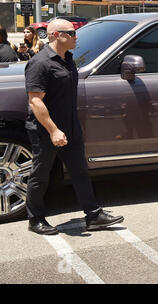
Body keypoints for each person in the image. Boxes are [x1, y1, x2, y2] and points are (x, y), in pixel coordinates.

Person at [24, 19, 124, 235]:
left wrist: (69, 127)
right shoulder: (40, 63)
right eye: (70, 33)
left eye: (75, 32)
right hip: (46, 130)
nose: (75, 36)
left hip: (70, 126)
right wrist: (53, 130)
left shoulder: (68, 59)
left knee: (80, 171)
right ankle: (35, 219)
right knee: (41, 174)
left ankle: (93, 215)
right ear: (54, 35)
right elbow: (35, 101)